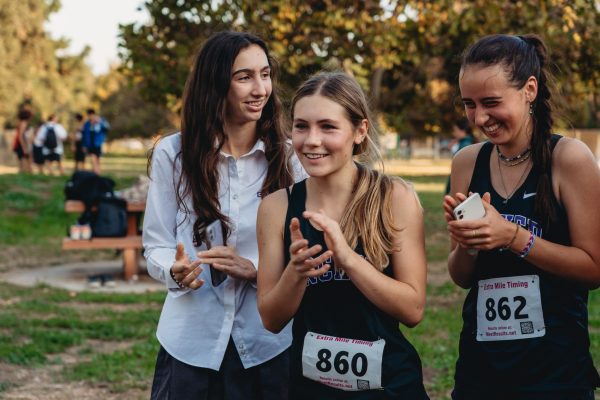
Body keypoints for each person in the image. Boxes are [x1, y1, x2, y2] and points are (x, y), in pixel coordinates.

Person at [143, 31, 305, 400]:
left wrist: (256, 269)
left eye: (265, 74)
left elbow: (309, 247)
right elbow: (156, 244)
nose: (260, 88)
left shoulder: (292, 157)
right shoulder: (174, 154)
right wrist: (175, 270)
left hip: (270, 343)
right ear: (215, 84)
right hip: (191, 343)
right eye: (244, 77)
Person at [443, 34, 600, 400]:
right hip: (481, 369)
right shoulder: (467, 162)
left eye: (491, 102)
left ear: (529, 89)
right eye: (469, 104)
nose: (480, 118)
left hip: (554, 371)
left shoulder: (569, 158)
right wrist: (468, 244)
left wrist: (513, 237)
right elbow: (461, 276)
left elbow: (594, 269)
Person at [257, 72, 429, 399]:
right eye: (301, 126)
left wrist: (348, 259)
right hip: (311, 388)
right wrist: (295, 272)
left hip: (389, 385)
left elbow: (413, 310)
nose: (311, 140)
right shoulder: (276, 207)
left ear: (359, 130)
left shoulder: (394, 197)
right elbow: (270, 318)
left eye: (328, 126)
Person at [445, 118, 476, 194]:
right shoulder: (466, 143)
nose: (454, 133)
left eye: (455, 130)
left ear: (463, 130)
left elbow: (459, 169)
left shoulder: (465, 145)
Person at [81, 108, 110, 174]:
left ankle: (97, 172)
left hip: (98, 144)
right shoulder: (87, 124)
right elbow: (84, 135)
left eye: (91, 115)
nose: (90, 117)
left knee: (98, 160)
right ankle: (95, 173)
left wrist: (100, 122)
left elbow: (107, 128)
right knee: (93, 159)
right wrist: (84, 145)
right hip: (90, 144)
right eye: (89, 115)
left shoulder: (100, 122)